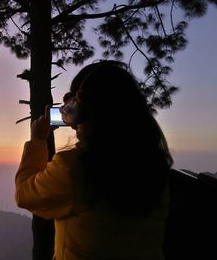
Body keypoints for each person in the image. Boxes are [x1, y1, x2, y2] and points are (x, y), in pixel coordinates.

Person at [15, 61, 173, 260]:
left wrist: (37, 141)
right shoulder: (155, 165)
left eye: (74, 99)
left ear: (81, 109)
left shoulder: (74, 168)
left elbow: (24, 194)